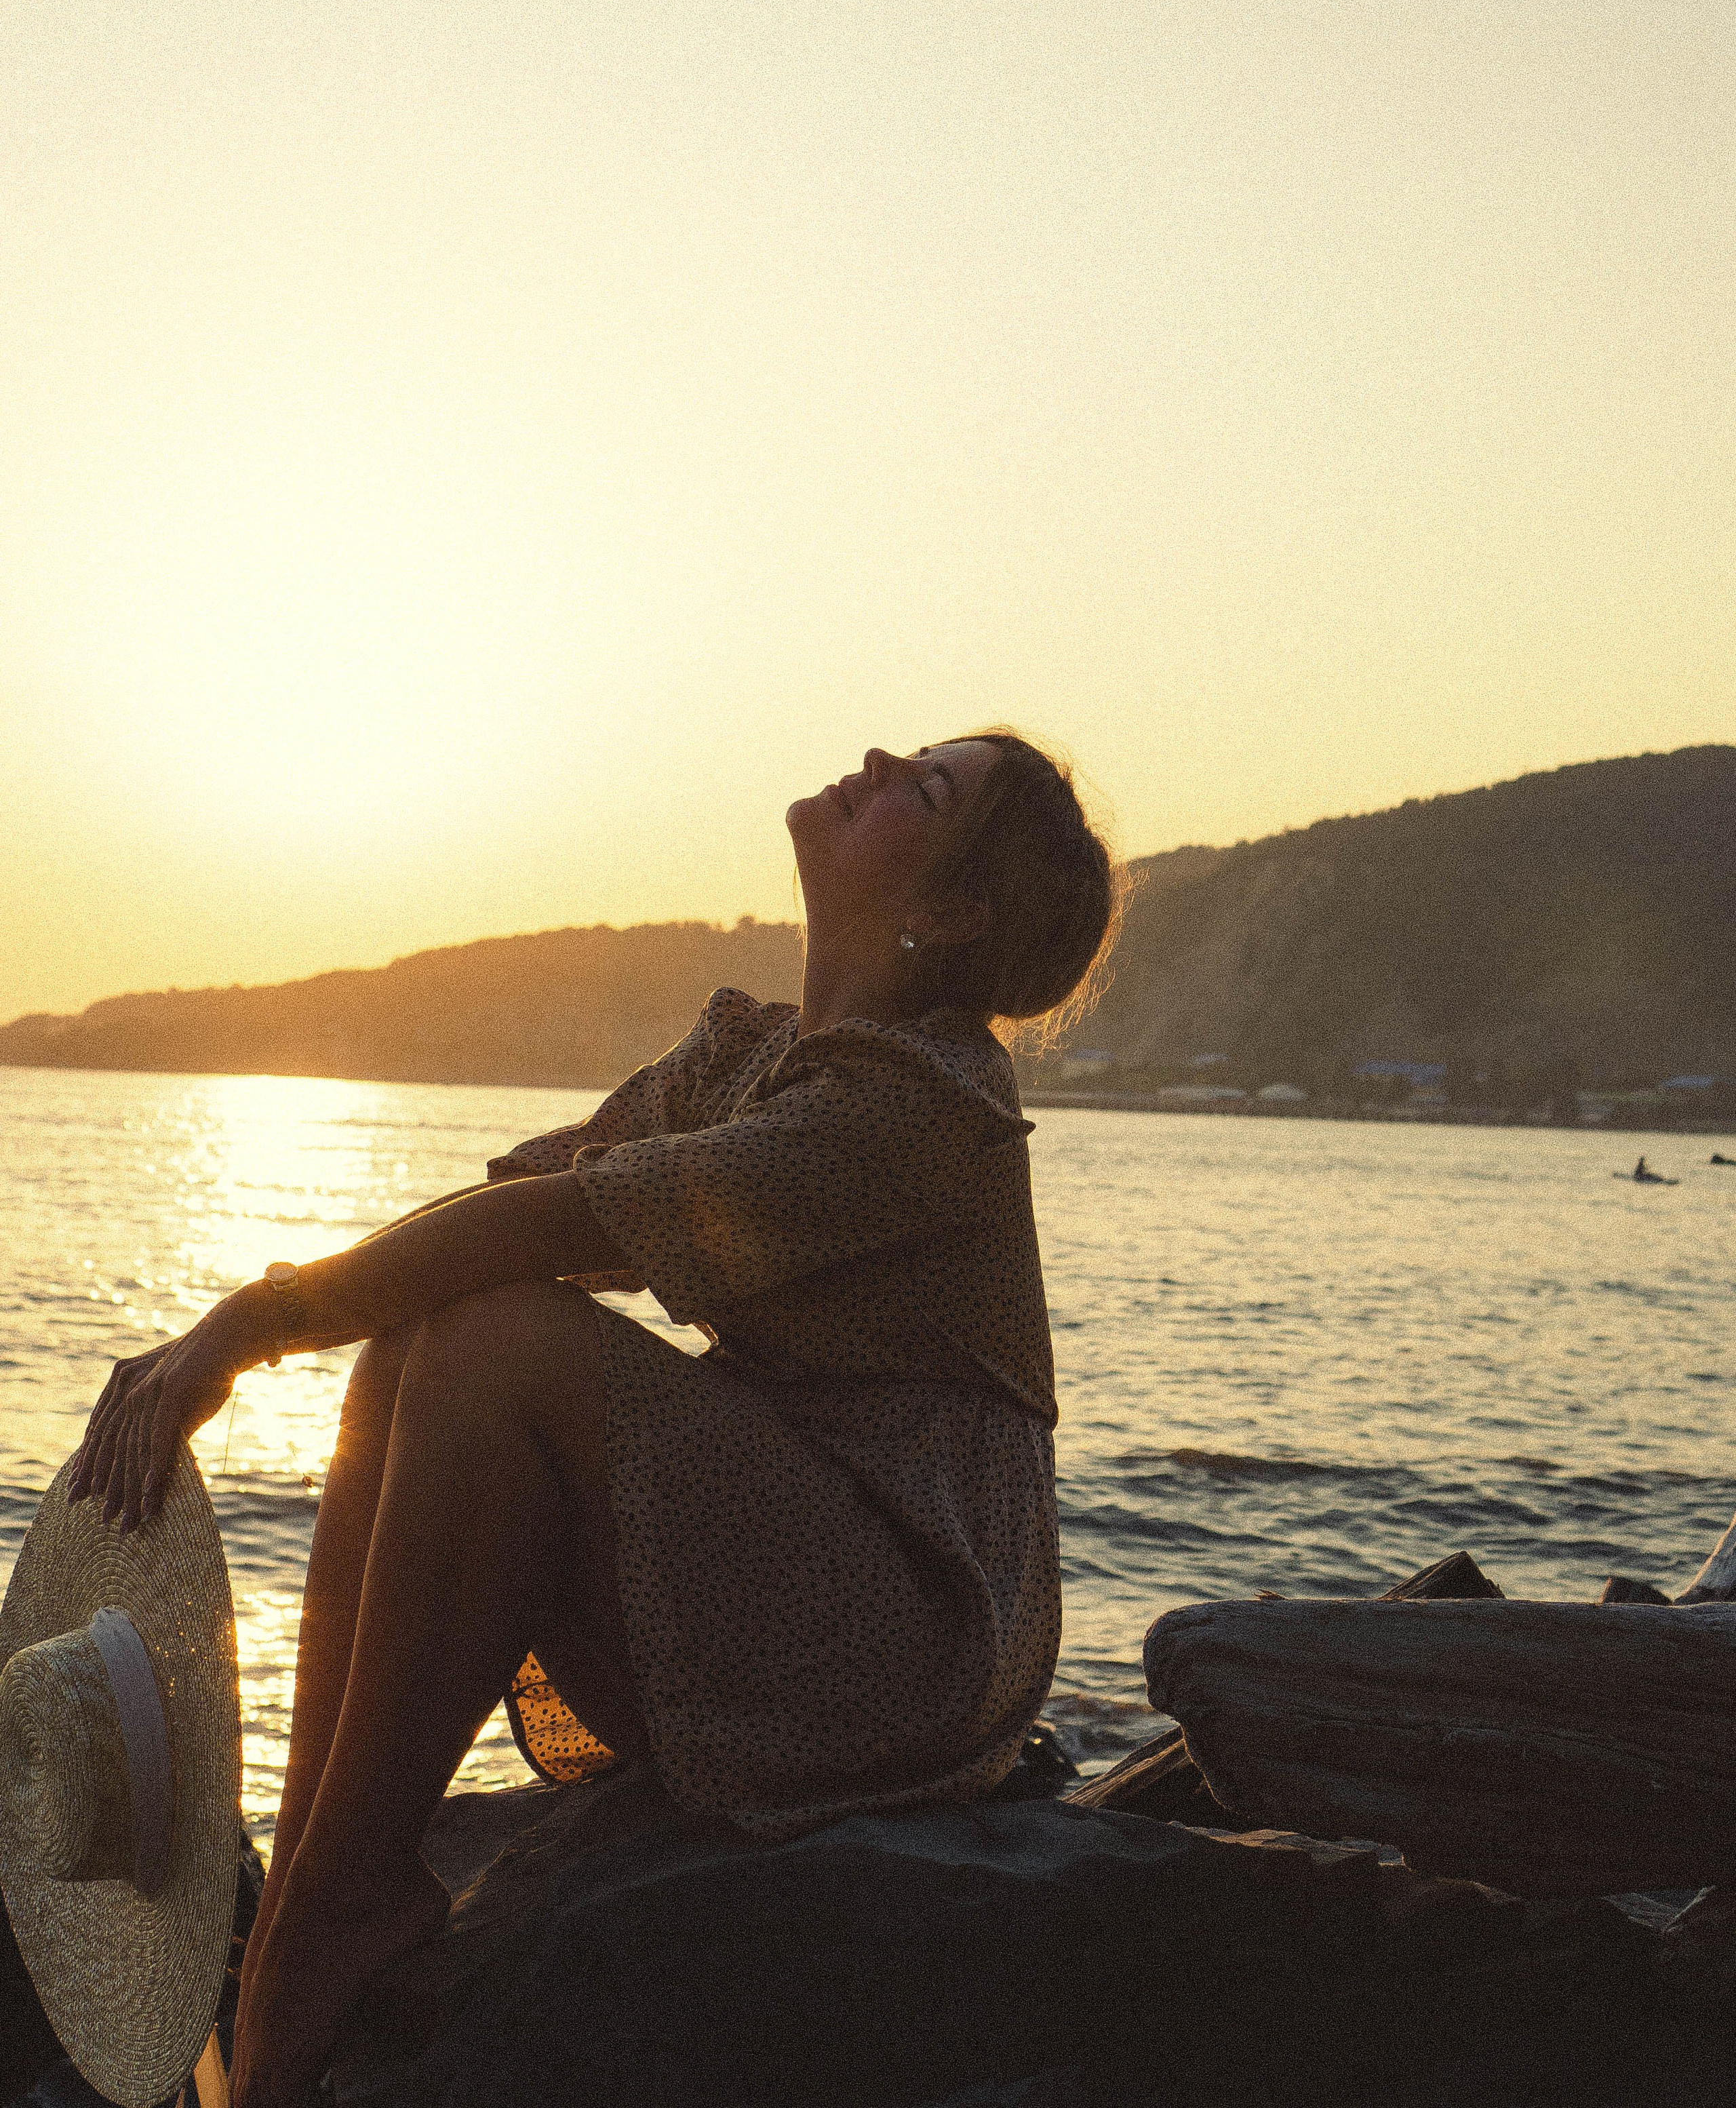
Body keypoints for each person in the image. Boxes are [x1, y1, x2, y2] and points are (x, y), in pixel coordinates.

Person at [70, 732, 1116, 2108]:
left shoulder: (921, 1110)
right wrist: (308, 1312)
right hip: (781, 1591)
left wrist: (241, 1329)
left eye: (924, 790)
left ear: (952, 914)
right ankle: (321, 1889)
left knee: (498, 1331)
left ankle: (328, 1910)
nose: (875, 756)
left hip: (906, 1647)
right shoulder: (757, 1060)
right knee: (428, 1336)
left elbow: (555, 1226)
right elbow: (510, 1202)